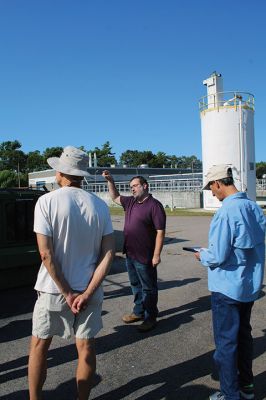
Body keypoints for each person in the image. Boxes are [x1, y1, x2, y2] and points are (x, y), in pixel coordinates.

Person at [28, 146, 115, 400]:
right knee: (86, 348)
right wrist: (87, 291)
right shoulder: (99, 206)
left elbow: (46, 254)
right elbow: (108, 253)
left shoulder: (46, 201)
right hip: (89, 290)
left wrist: (66, 292)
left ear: (61, 173)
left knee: (39, 346)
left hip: (53, 290)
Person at [195, 164, 265, 400]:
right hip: (249, 285)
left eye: (211, 188)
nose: (212, 193)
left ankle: (229, 394)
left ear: (217, 184)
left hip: (227, 288)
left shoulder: (225, 212)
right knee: (244, 337)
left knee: (226, 344)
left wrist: (201, 254)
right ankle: (246, 388)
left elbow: (217, 255)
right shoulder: (254, 207)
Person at [102, 170, 166, 332]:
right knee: (135, 284)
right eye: (131, 187)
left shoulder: (154, 206)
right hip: (130, 253)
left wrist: (157, 255)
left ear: (145, 186)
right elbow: (115, 197)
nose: (132, 189)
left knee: (148, 287)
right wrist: (110, 181)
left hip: (146, 256)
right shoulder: (130, 202)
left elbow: (160, 231)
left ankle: (150, 317)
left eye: (135, 186)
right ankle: (138, 311)